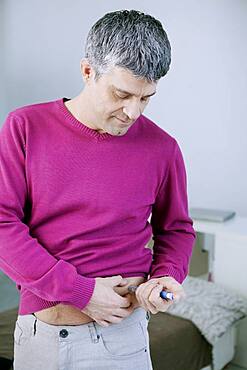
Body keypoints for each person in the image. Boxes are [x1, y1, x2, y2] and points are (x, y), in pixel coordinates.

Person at [0, 9, 196, 370]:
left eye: (146, 97)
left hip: (124, 338)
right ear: (88, 71)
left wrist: (166, 273)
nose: (133, 112)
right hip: (42, 339)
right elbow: (2, 224)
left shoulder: (163, 147)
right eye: (122, 94)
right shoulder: (25, 127)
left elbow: (177, 229)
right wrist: (81, 292)